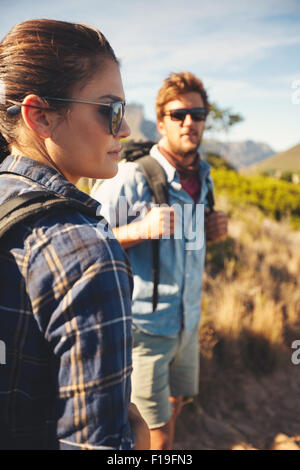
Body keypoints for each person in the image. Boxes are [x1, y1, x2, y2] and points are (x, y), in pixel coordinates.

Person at [0, 19, 149, 450]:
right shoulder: (87, 252)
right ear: (40, 116)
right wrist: (138, 445)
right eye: (110, 110)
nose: (124, 130)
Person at [91, 71, 228, 450]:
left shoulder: (204, 176)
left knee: (174, 406)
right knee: (156, 437)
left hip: (187, 323)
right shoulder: (131, 177)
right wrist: (138, 230)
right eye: (178, 114)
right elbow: (86, 244)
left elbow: (188, 248)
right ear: (161, 119)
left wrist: (212, 232)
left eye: (198, 115)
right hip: (145, 331)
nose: (190, 123)